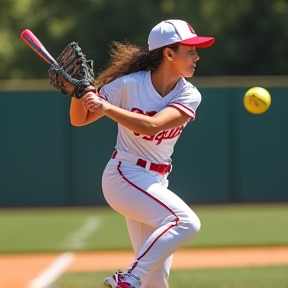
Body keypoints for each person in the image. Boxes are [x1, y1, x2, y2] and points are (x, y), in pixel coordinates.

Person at [70, 19, 214, 288]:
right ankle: (128, 278)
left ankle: (133, 278)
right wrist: (79, 93)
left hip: (156, 181)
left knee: (156, 281)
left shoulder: (189, 94)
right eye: (190, 50)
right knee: (186, 222)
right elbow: (80, 120)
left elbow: (152, 126)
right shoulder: (128, 85)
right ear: (169, 53)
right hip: (125, 176)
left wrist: (106, 107)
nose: (197, 56)